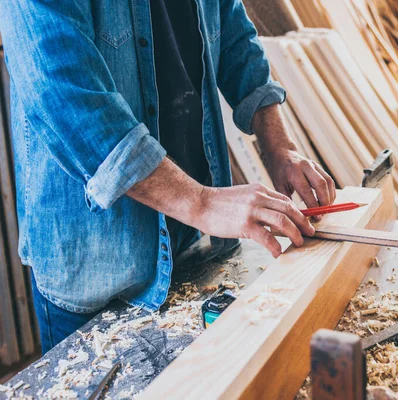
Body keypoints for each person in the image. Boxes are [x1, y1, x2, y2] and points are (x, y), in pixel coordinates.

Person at [0, 0, 336, 353]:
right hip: (99, 264)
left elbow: (233, 30)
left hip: (186, 241)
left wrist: (279, 145)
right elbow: (65, 94)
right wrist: (202, 202)